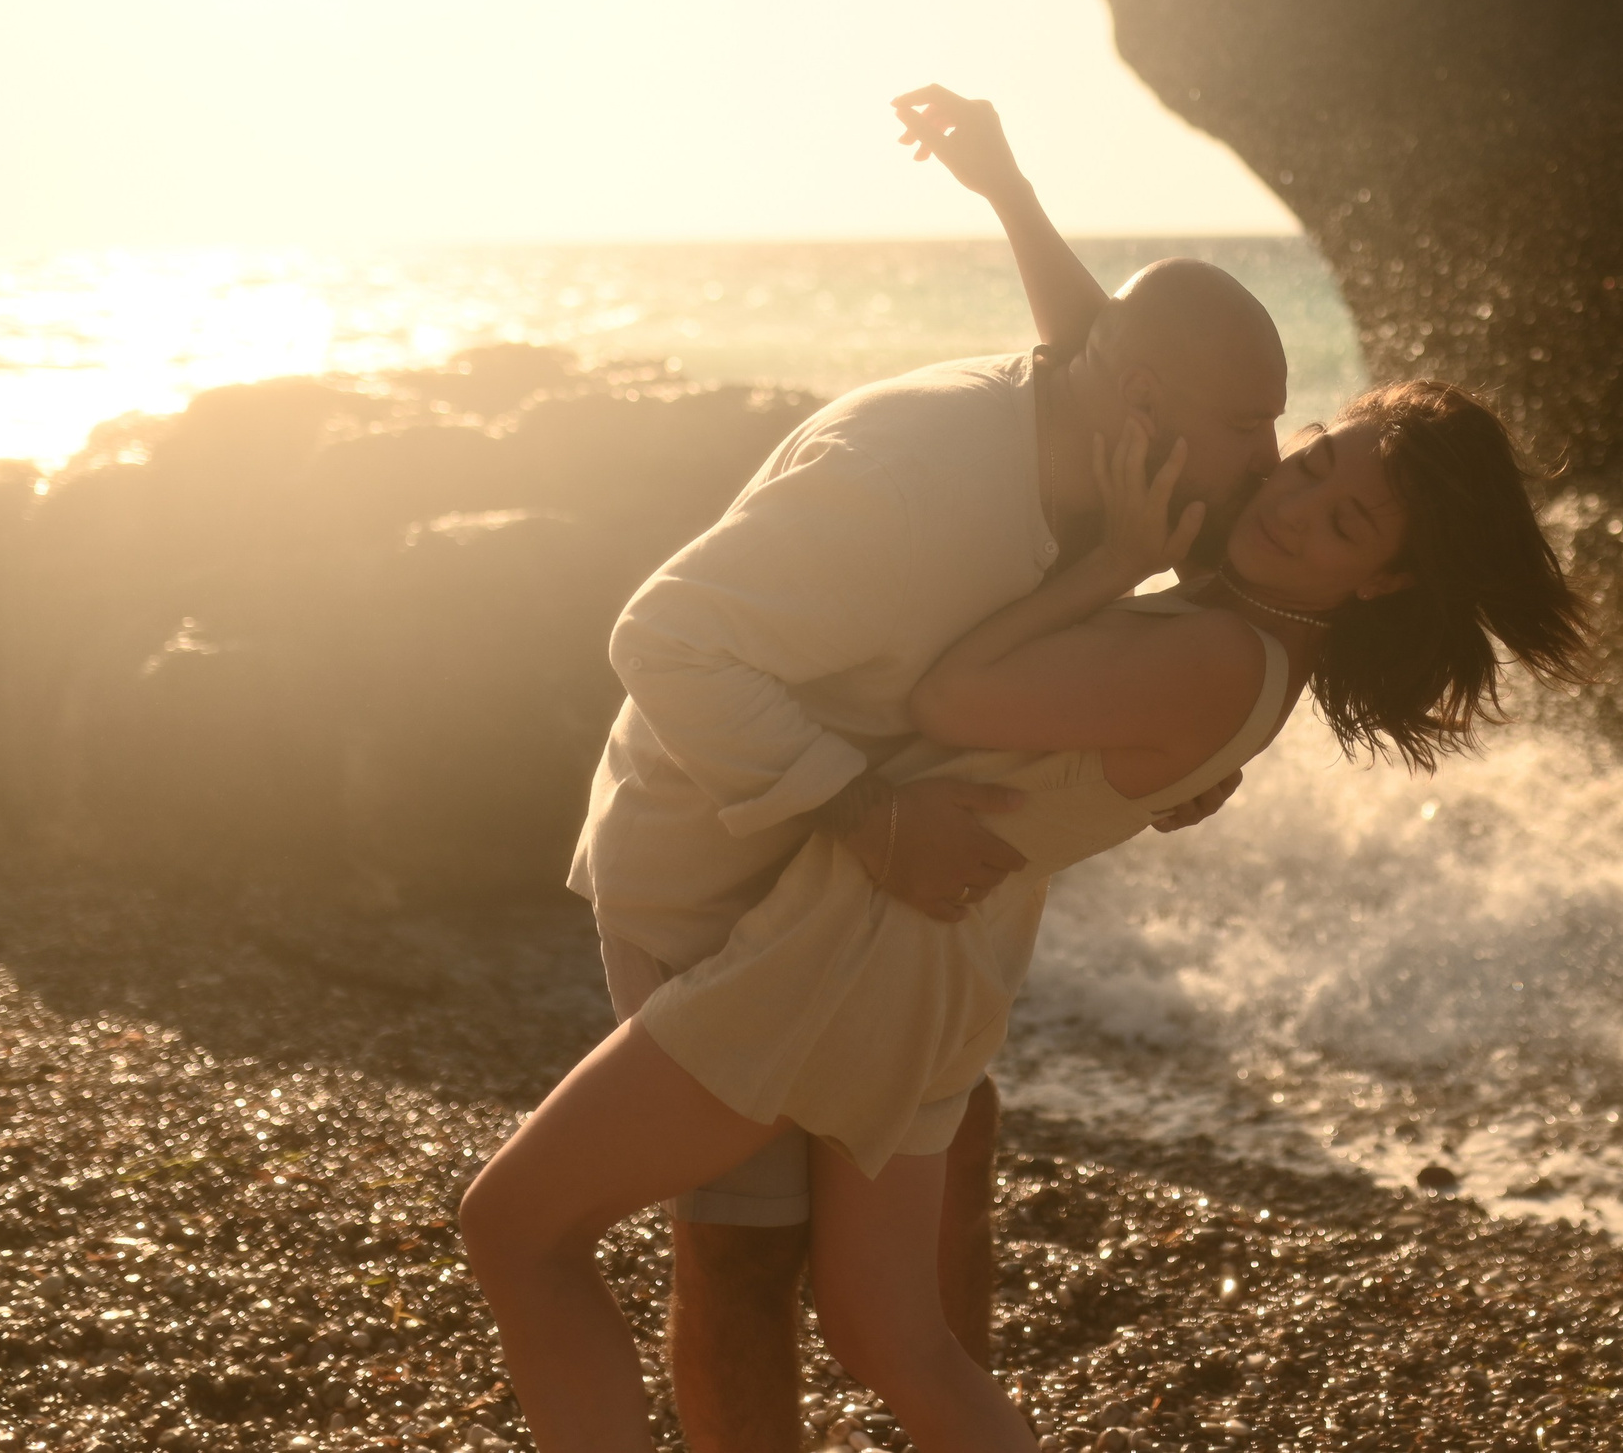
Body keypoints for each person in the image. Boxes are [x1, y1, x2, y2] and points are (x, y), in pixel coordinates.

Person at [459, 376, 1592, 1439]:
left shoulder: (1212, 646)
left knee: (515, 1226)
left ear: (1383, 580)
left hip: (839, 960)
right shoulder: (1249, 633)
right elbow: (1127, 348)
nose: (1296, 506)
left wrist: (1110, 564)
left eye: (1346, 522)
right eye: (1313, 462)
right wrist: (1003, 187)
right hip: (936, 966)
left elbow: (947, 693)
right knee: (892, 1336)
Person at [526, 87, 1289, 1451]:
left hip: (889, 880)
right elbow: (663, 635)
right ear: (1150, 401)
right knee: (751, 1243)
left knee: (948, 1183)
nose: (1271, 456)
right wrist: (867, 809)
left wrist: (1168, 753)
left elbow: (1097, 330)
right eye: (1250, 421)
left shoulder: (1128, 449)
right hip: (720, 850)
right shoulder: (910, 480)